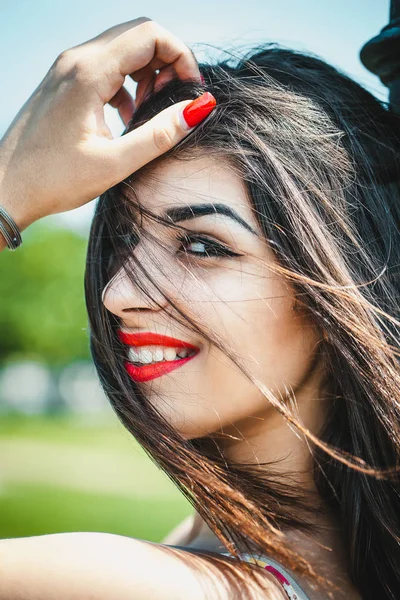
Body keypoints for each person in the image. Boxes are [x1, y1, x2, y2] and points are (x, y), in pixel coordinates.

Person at [0, 15, 399, 600]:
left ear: (337, 278)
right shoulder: (264, 552)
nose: (118, 293)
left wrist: (9, 191)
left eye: (202, 246)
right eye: (125, 241)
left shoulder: (133, 585)